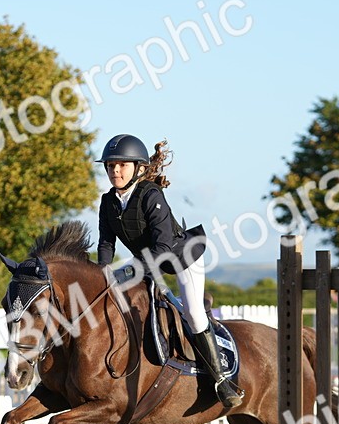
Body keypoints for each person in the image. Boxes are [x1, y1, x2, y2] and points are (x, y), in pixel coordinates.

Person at [95, 134, 243, 407]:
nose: (115, 171)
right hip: (147, 261)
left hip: (180, 256)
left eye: (122, 165)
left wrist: (133, 270)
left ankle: (222, 380)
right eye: (110, 166)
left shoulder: (151, 194)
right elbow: (106, 243)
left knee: (194, 315)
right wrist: (101, 274)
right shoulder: (108, 202)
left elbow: (163, 245)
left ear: (138, 168)